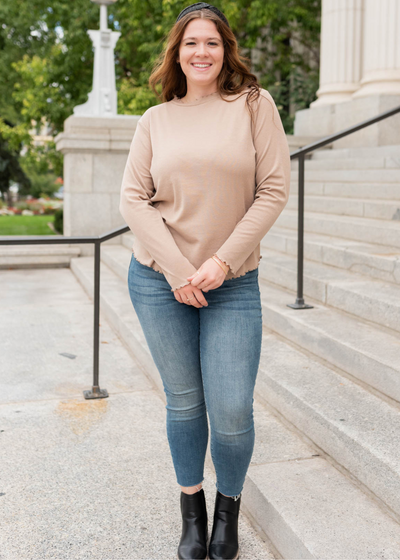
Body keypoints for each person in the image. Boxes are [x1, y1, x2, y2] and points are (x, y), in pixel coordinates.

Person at [119, 2, 291, 559]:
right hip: (158, 281)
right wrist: (178, 271)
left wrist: (219, 263)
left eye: (211, 43)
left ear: (226, 51)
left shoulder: (254, 106)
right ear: (177, 52)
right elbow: (133, 200)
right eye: (191, 42)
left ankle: (227, 511)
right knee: (185, 403)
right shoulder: (154, 119)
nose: (201, 52)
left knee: (233, 408)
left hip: (232, 283)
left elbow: (272, 191)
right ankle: (192, 515)